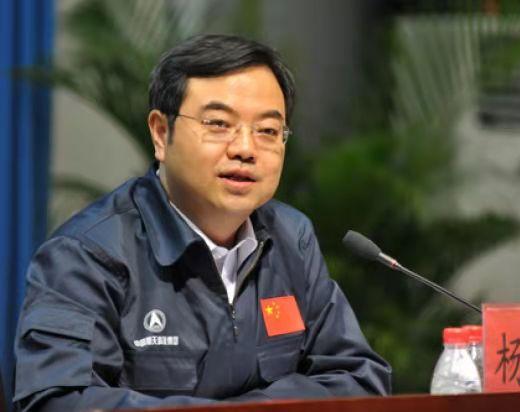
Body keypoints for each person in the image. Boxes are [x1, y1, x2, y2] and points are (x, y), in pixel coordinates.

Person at [13, 34, 391, 412]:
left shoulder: (292, 238)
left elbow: (358, 377)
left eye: (267, 131)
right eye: (219, 124)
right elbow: (57, 400)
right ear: (161, 133)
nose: (245, 149)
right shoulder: (87, 254)